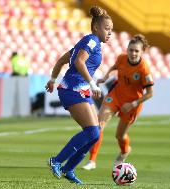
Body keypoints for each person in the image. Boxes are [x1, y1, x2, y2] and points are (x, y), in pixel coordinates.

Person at [45, 6, 113, 184]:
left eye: (111, 30)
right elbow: (79, 61)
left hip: (78, 90)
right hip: (72, 90)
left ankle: (68, 169)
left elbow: (61, 60)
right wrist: (91, 83)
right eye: (107, 29)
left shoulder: (88, 42)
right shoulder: (91, 41)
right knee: (92, 131)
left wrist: (52, 79)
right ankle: (57, 161)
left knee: (95, 134)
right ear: (96, 28)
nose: (110, 33)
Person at [82, 34, 154, 170]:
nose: (133, 53)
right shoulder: (122, 58)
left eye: (136, 51)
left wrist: (132, 104)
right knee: (98, 126)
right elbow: (114, 67)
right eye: (131, 50)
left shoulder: (144, 69)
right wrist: (105, 77)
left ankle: (124, 151)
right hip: (115, 96)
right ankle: (92, 161)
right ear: (127, 50)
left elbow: (150, 93)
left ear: (142, 52)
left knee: (120, 136)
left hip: (132, 104)